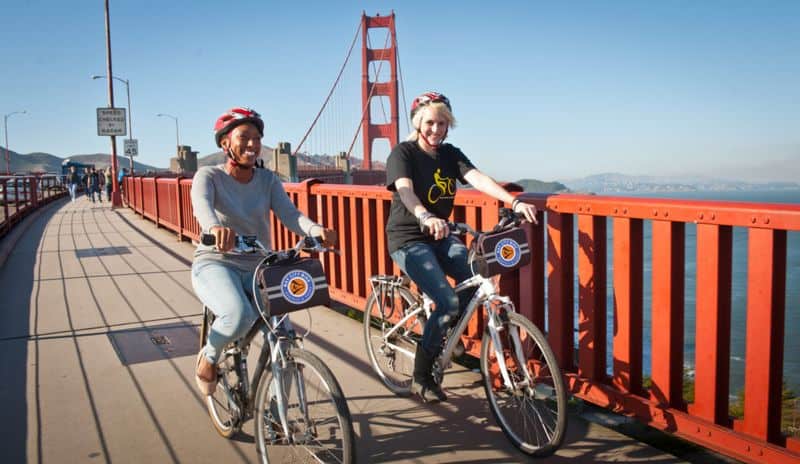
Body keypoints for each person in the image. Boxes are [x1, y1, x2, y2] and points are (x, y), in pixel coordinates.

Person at [385, 91, 537, 402]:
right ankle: (421, 376)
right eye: (430, 122)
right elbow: (405, 192)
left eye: (443, 123)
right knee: (448, 301)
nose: (436, 129)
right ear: (417, 123)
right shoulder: (403, 153)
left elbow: (477, 178)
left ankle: (442, 328)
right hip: (408, 238)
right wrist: (425, 215)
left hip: (440, 235)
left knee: (475, 275)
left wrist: (514, 201)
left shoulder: (450, 153)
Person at [191, 107, 337, 395]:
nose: (252, 144)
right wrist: (214, 229)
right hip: (216, 262)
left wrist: (315, 230)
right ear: (225, 143)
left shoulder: (268, 180)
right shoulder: (208, 176)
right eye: (244, 137)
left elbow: (290, 215)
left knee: (285, 333)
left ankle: (274, 412)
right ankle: (208, 356)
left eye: (257, 138)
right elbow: (202, 206)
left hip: (259, 266)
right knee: (238, 314)